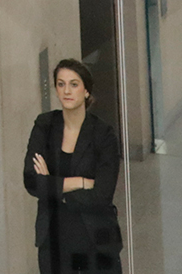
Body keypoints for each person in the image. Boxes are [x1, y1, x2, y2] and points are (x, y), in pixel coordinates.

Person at [24, 57, 122, 274]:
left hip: (96, 241)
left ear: (86, 91)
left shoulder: (103, 135)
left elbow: (102, 195)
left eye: (74, 84)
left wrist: (53, 186)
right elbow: (31, 181)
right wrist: (80, 182)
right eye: (61, 84)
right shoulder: (44, 125)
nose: (66, 90)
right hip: (54, 241)